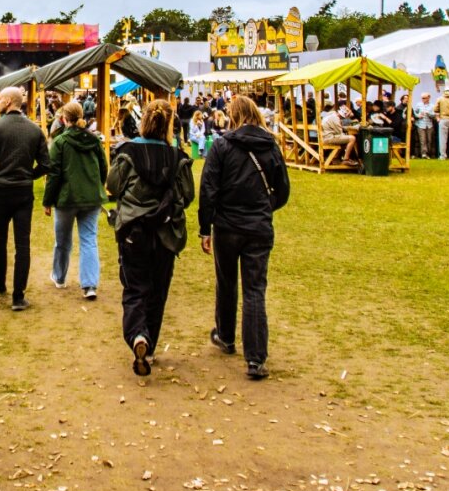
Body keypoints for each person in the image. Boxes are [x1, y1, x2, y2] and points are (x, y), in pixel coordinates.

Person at [198, 96, 290, 380]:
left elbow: (208, 188)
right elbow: (282, 190)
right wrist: (264, 208)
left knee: (227, 282)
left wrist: (205, 227)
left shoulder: (223, 146)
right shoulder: (270, 147)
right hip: (257, 226)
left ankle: (226, 335)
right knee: (254, 289)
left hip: (227, 225)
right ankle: (255, 357)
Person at [107, 99, 193, 376]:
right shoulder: (178, 157)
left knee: (134, 289)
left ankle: (137, 337)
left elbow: (113, 186)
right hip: (166, 234)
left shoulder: (127, 152)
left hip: (134, 230)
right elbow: (188, 195)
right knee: (158, 290)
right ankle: (150, 345)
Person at [0, 86, 49, 312]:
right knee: (23, 243)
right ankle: (19, 296)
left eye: (0, 99)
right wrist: (30, 175)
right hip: (23, 191)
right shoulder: (34, 130)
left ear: (8, 101)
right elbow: (46, 164)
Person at [42, 101, 108, 299]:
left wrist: (48, 201)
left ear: (63, 118)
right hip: (90, 197)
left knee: (62, 240)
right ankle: (89, 285)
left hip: (66, 199)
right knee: (89, 239)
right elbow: (103, 167)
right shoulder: (94, 140)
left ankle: (60, 277)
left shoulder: (60, 143)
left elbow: (53, 175)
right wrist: (97, 186)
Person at [412, 93, 436, 159]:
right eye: (422, 98)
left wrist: (429, 113)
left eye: (424, 98)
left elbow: (434, 115)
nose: (423, 99)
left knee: (429, 140)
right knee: (423, 140)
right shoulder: (418, 105)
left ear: (428, 98)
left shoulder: (432, 105)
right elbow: (414, 113)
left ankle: (429, 153)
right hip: (420, 124)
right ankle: (424, 154)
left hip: (429, 124)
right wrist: (419, 115)